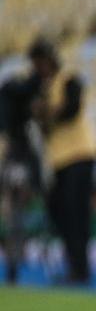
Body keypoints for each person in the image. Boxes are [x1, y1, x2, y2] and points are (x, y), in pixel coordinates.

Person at [29, 39, 96, 285]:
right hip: (59, 158)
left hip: (80, 153)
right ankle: (76, 264)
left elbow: (71, 110)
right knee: (60, 210)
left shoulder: (69, 79)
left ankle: (80, 269)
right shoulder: (42, 88)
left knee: (75, 212)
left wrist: (46, 112)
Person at [0, 66, 43, 283]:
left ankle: (13, 264)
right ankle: (13, 264)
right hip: (17, 165)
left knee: (15, 220)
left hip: (17, 166)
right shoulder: (20, 134)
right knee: (14, 220)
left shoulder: (18, 134)